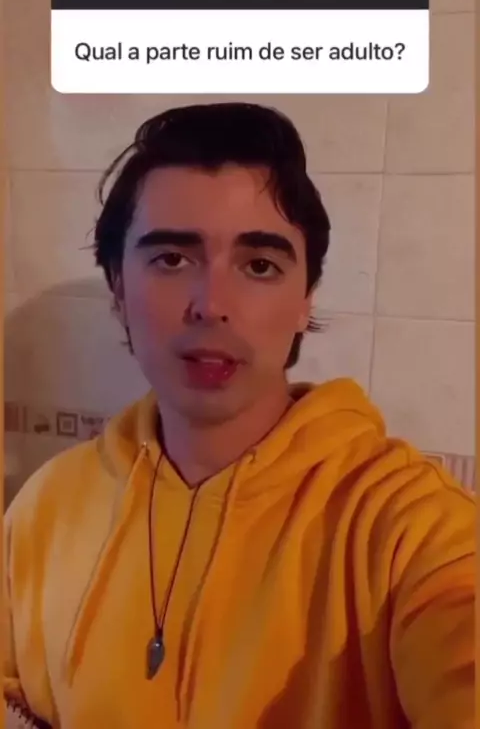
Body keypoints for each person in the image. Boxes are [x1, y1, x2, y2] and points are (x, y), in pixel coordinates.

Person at [4, 103, 475, 729]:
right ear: (117, 289)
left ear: (305, 300)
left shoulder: (408, 529)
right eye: (172, 259)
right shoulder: (44, 509)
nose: (212, 305)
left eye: (259, 265)